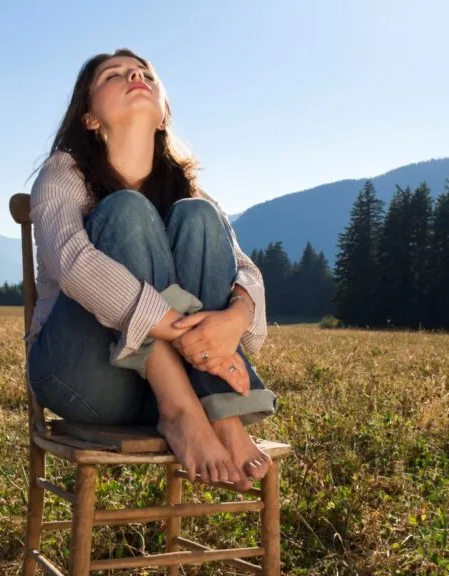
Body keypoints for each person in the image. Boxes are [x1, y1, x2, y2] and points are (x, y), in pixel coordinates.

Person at [26, 48, 277, 490]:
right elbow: (72, 263)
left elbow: (245, 275)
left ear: (163, 115)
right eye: (113, 75)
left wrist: (235, 319)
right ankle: (188, 411)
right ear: (88, 117)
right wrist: (191, 334)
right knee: (126, 211)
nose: (134, 76)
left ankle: (212, 414)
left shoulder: (189, 189)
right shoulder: (64, 172)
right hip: (85, 376)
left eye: (144, 74)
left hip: (180, 375)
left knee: (199, 216)